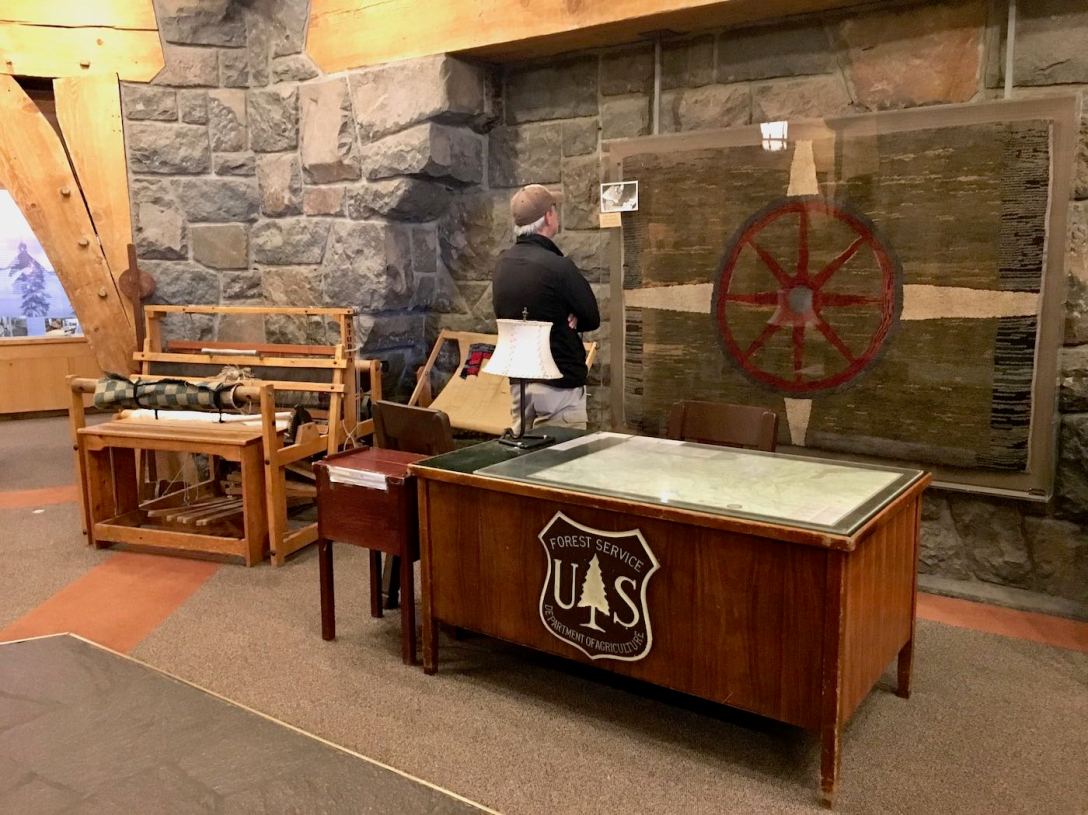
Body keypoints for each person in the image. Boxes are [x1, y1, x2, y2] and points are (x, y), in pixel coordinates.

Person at [492, 184, 600, 431]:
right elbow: (592, 318)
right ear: (548, 216)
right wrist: (571, 316)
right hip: (558, 386)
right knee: (563, 466)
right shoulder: (559, 267)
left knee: (522, 465)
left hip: (520, 386)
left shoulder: (502, 265)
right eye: (555, 208)